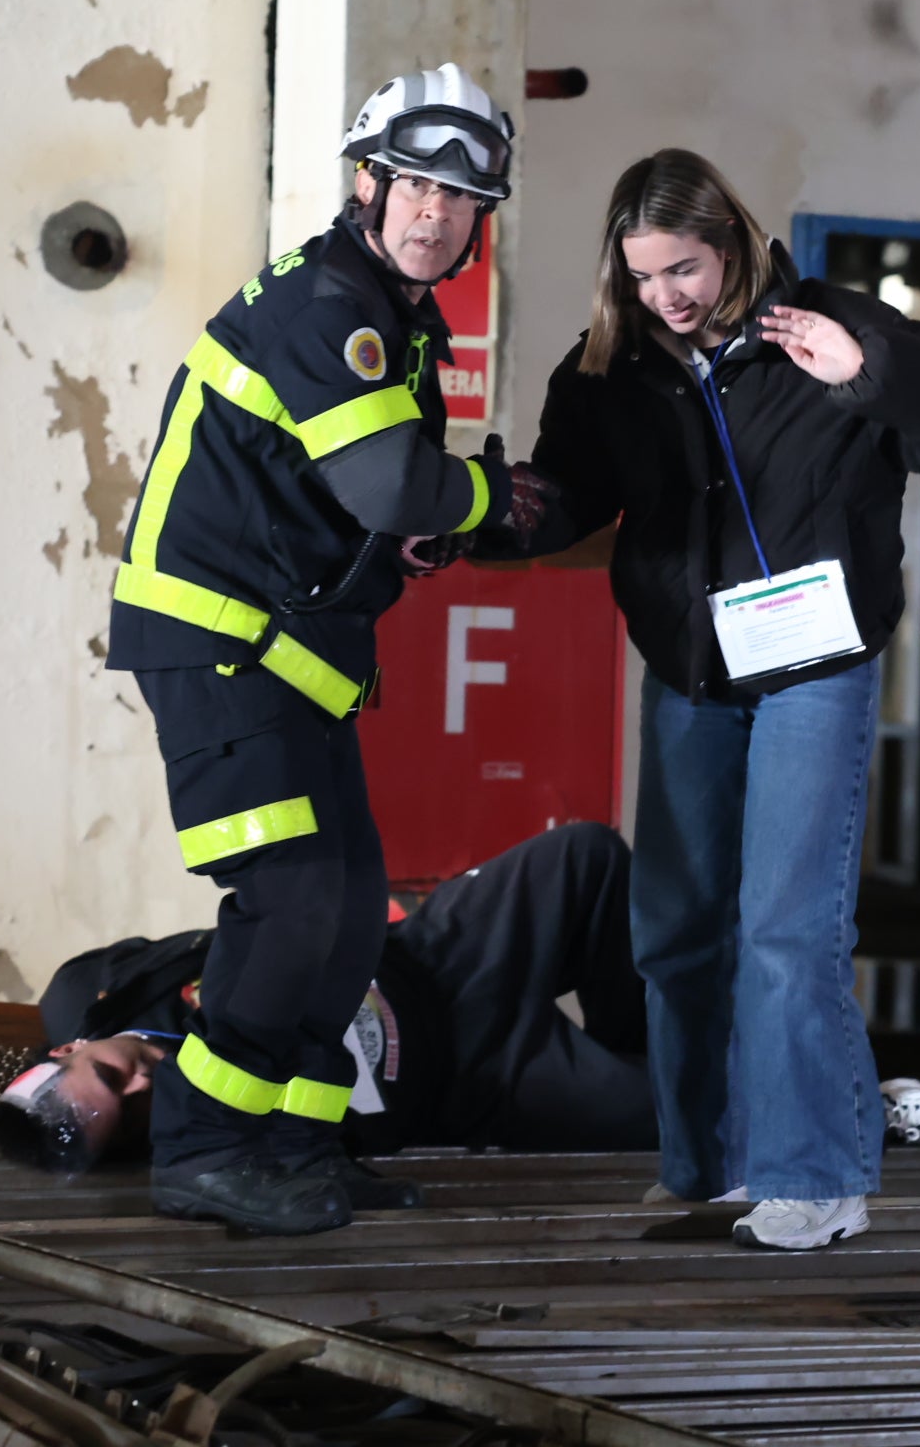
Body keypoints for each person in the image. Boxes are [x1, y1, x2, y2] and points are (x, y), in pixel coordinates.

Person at [499, 150, 920, 1250]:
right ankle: (709, 1166)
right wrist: (476, 512)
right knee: (676, 929)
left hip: (814, 668)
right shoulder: (611, 367)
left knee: (787, 925)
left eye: (682, 268)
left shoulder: (824, 326)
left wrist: (864, 371)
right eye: (643, 276)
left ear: (729, 241)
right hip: (693, 670)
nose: (665, 296)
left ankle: (818, 1179)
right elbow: (567, 496)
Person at [101, 63, 550, 1235]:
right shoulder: (330, 305)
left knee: (349, 911)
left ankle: (298, 1145)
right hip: (220, 645)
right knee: (291, 897)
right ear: (367, 185)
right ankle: (204, 1148)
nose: (435, 213)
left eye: (461, 199)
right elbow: (393, 481)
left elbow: (352, 497)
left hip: (288, 649)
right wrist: (487, 498)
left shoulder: (393, 316)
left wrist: (414, 535)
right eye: (415, 186)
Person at [0, 824, 657, 1182]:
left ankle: (643, 1040)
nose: (142, 1084)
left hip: (430, 956)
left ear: (72, 1046)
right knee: (676, 1115)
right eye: (130, 1114)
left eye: (112, 1076)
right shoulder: (193, 1140)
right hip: (475, 1081)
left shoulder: (94, 990)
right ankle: (646, 1073)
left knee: (587, 856)